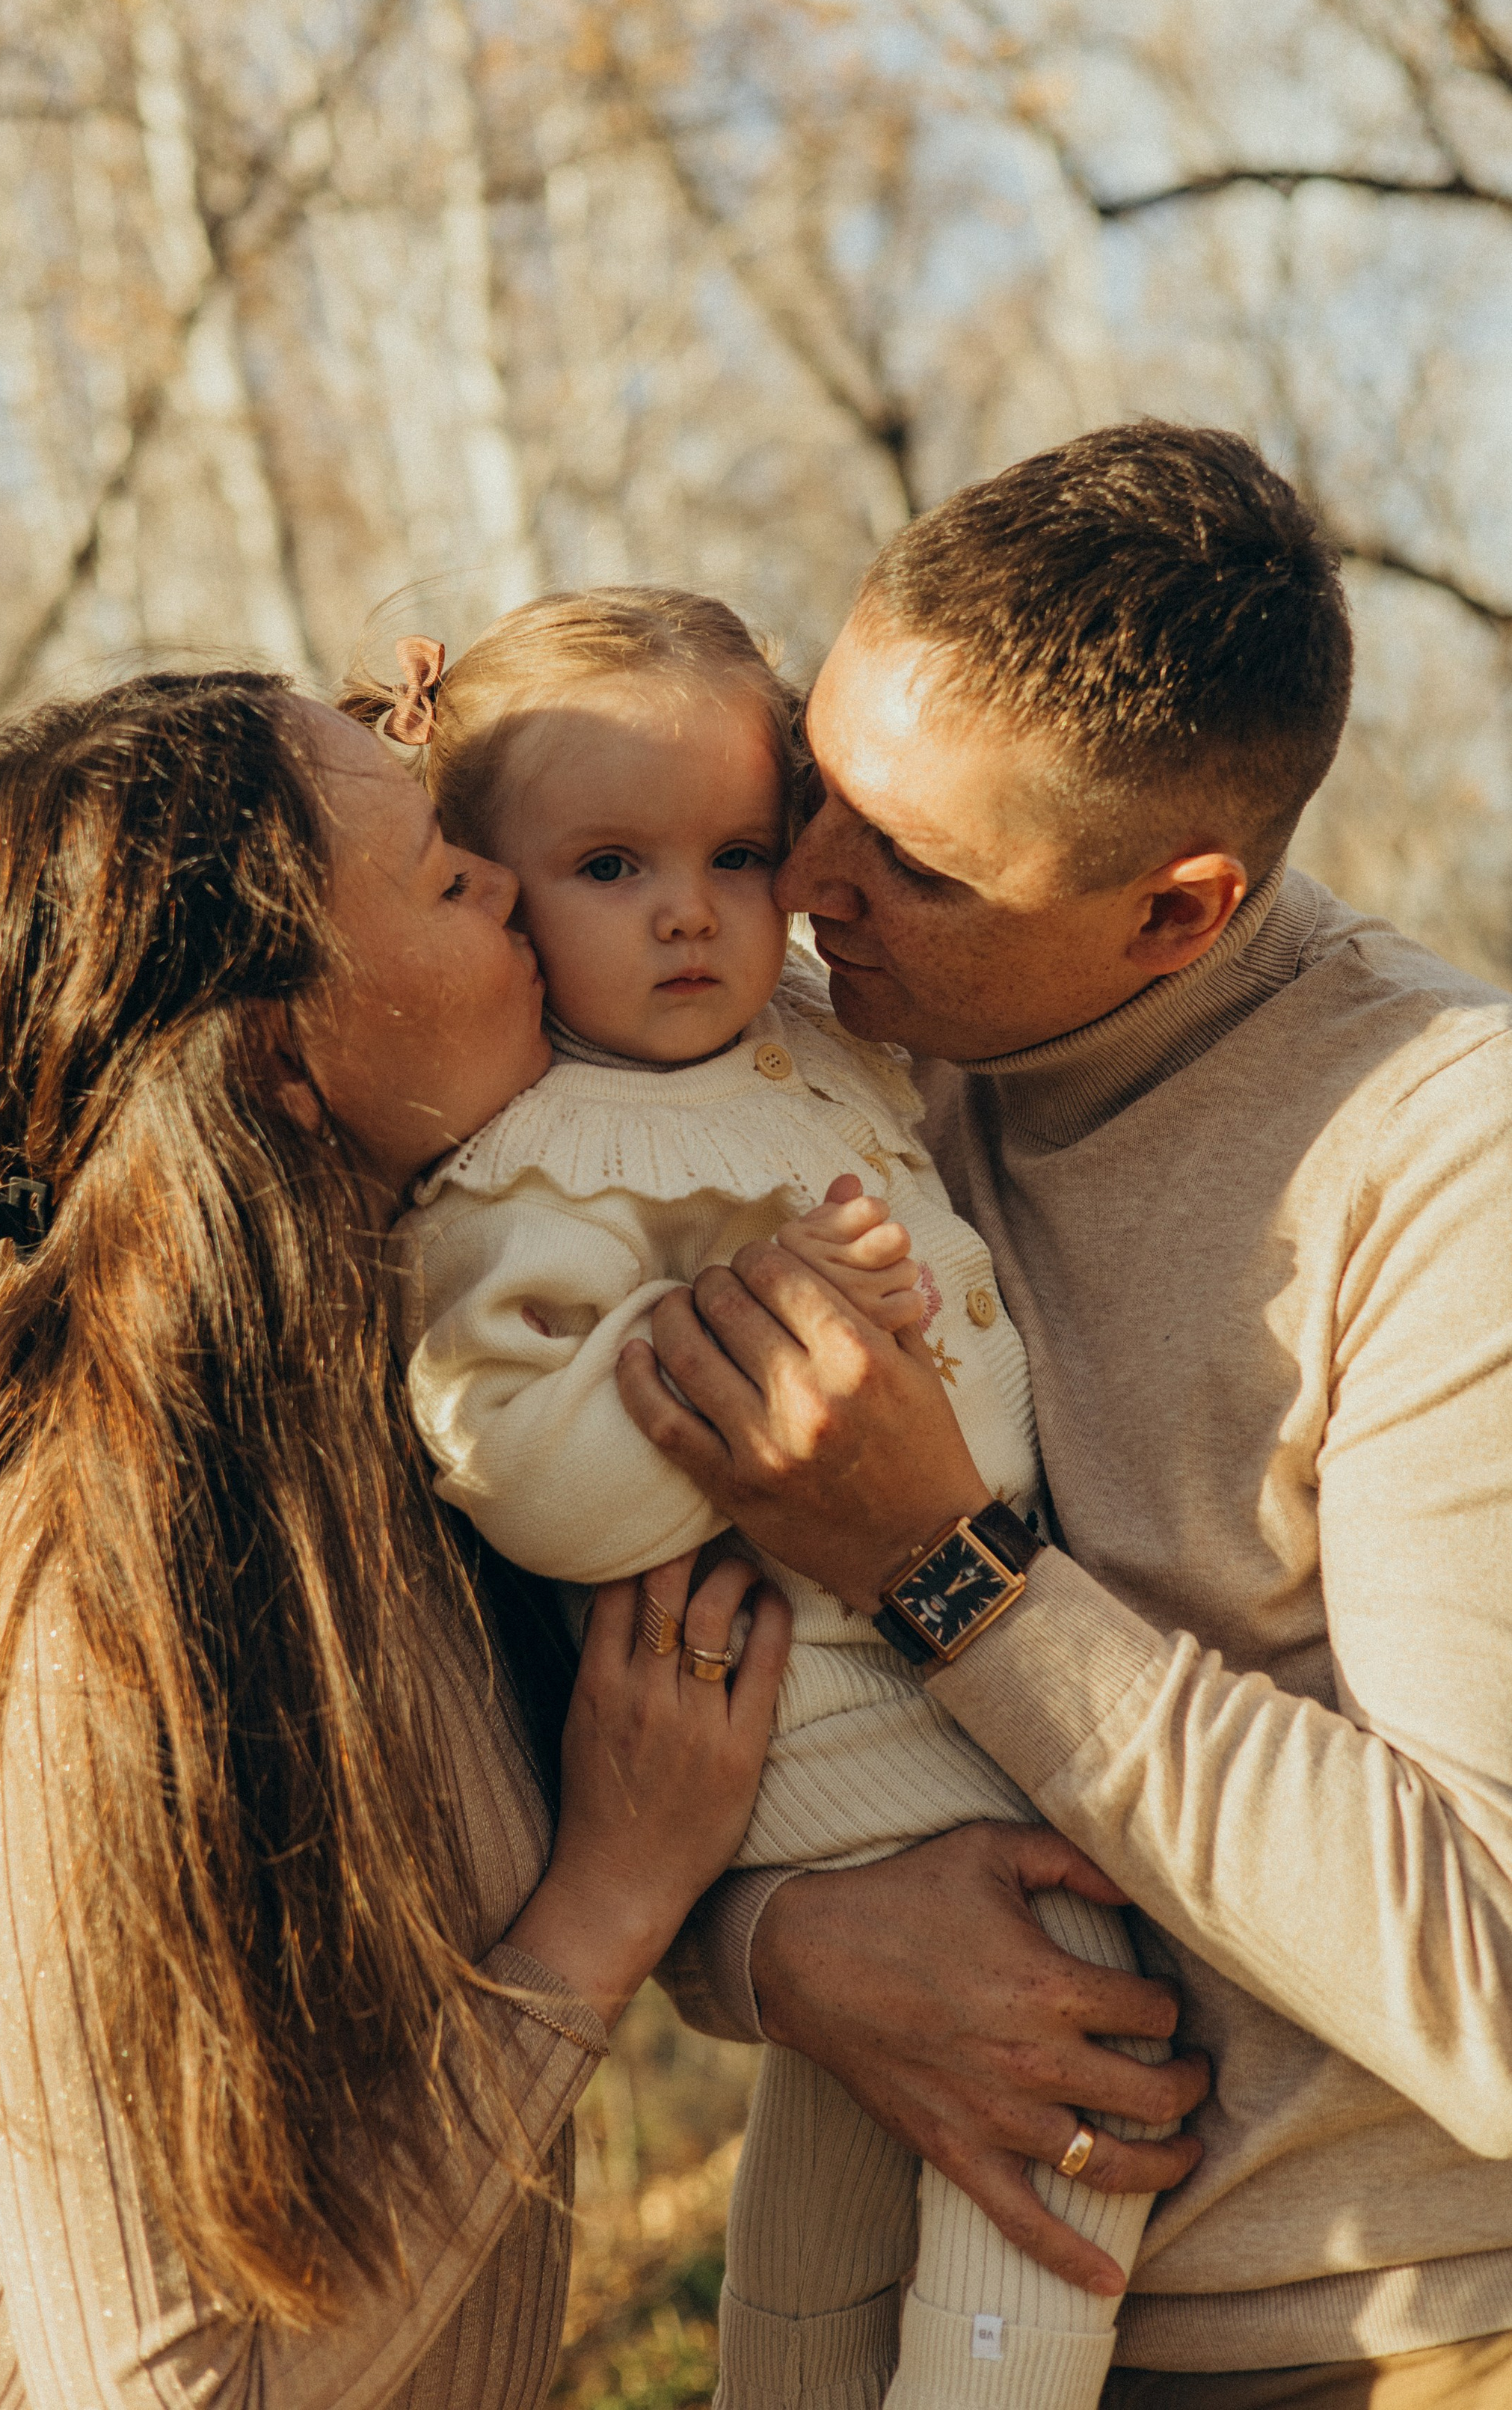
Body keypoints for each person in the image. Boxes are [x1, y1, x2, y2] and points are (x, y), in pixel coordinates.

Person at [618, 426, 1512, 2406]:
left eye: (919, 866)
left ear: (1180, 913)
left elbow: (1496, 1978)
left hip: (1389, 2352)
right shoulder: (789, 1052)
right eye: (814, 780)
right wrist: (780, 1949)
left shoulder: (1453, 1156)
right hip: (893, 2330)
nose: (812, 883)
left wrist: (953, 1576)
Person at [0, 669, 793, 2410]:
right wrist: (603, 1907)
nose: (506, 883)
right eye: (442, 878)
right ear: (281, 1061)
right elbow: (164, 2393)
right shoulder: (96, 1583)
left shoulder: (398, 1414)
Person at [354, 585, 1172, 2409]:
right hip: (820, 1723)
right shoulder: (544, 1156)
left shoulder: (817, 1043)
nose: (689, 912)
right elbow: (519, 1468)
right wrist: (758, 1341)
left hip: (947, 1687)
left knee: (856, 2118)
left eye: (737, 851)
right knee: (1069, 2059)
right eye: (608, 865)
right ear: (485, 893)